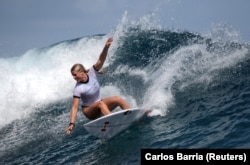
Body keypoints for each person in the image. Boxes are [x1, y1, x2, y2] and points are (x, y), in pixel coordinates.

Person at [65, 37, 130, 135]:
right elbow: (74, 107)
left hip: (100, 105)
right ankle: (115, 122)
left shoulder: (92, 72)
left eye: (75, 74)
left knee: (118, 99)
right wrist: (72, 123)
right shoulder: (78, 89)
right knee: (100, 104)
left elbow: (101, 59)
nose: (74, 77)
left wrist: (106, 47)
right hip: (90, 111)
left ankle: (131, 116)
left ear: (81, 72)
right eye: (72, 75)